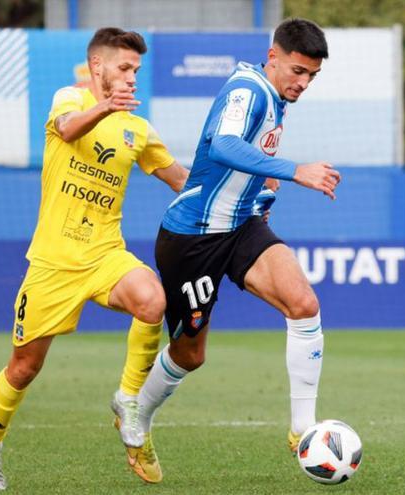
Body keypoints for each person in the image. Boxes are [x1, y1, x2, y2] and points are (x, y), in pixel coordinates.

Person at [126, 17, 340, 478]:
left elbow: (238, 164)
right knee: (190, 355)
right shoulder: (248, 88)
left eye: (312, 77)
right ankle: (136, 417)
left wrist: (260, 192)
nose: (303, 83)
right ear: (274, 57)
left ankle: (302, 430)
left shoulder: (276, 98)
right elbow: (222, 145)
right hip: (192, 239)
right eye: (297, 71)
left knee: (303, 303)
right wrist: (294, 170)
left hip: (240, 227)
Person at [0, 28, 188, 490]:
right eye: (124, 67)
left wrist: (242, 182)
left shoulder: (138, 129)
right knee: (24, 368)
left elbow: (179, 179)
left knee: (152, 300)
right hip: (53, 263)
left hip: (105, 254)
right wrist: (105, 106)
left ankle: (128, 400)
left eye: (136, 69)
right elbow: (70, 129)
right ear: (98, 67)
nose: (132, 77)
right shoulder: (68, 100)